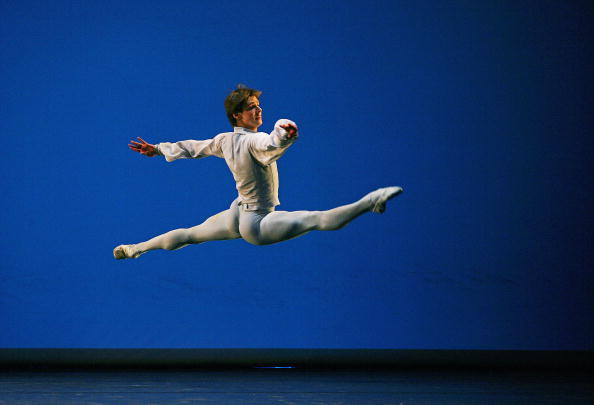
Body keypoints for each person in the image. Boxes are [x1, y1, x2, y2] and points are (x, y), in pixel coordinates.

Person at [113, 86, 402, 259]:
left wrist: (160, 149)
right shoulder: (253, 140)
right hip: (256, 222)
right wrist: (284, 134)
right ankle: (371, 201)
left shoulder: (225, 140)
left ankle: (135, 248)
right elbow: (271, 142)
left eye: (258, 105)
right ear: (237, 115)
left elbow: (192, 147)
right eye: (252, 108)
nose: (258, 110)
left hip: (238, 210)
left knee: (190, 235)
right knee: (317, 220)